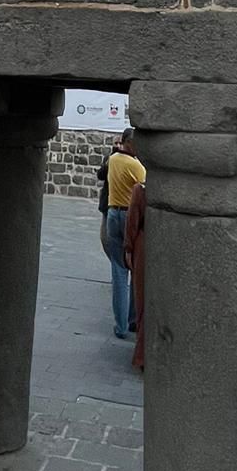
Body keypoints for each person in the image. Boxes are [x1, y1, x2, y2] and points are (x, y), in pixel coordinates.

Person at [105, 129, 145, 339]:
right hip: (130, 218)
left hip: (113, 213)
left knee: (118, 270)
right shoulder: (136, 166)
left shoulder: (113, 160)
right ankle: (131, 321)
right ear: (130, 143)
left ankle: (120, 325)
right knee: (133, 269)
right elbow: (145, 190)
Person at [124, 179, 146, 371]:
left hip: (144, 247)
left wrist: (128, 248)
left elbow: (132, 221)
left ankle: (141, 356)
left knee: (142, 300)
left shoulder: (141, 190)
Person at [96, 132, 126, 258]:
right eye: (116, 143)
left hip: (121, 205)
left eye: (120, 143)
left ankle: (119, 266)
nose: (118, 146)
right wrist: (108, 164)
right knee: (105, 239)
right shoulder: (109, 158)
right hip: (107, 204)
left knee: (119, 241)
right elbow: (100, 175)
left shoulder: (128, 160)